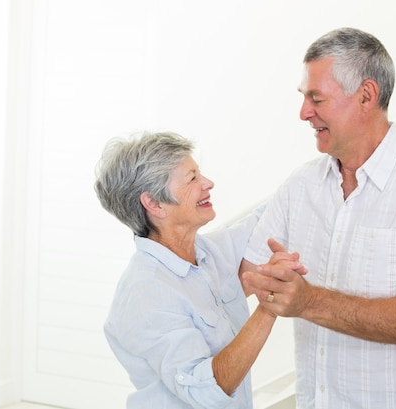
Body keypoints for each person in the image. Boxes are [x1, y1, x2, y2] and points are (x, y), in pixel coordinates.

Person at [241, 27, 396, 408]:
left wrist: (307, 301)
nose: (304, 113)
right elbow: (244, 276)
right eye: (304, 98)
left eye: (317, 98)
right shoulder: (300, 187)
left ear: (366, 96)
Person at [94, 131, 303, 409]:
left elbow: (269, 216)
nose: (208, 183)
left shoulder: (206, 253)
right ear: (154, 203)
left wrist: (324, 170)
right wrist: (269, 306)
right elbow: (206, 391)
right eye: (192, 179)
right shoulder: (148, 292)